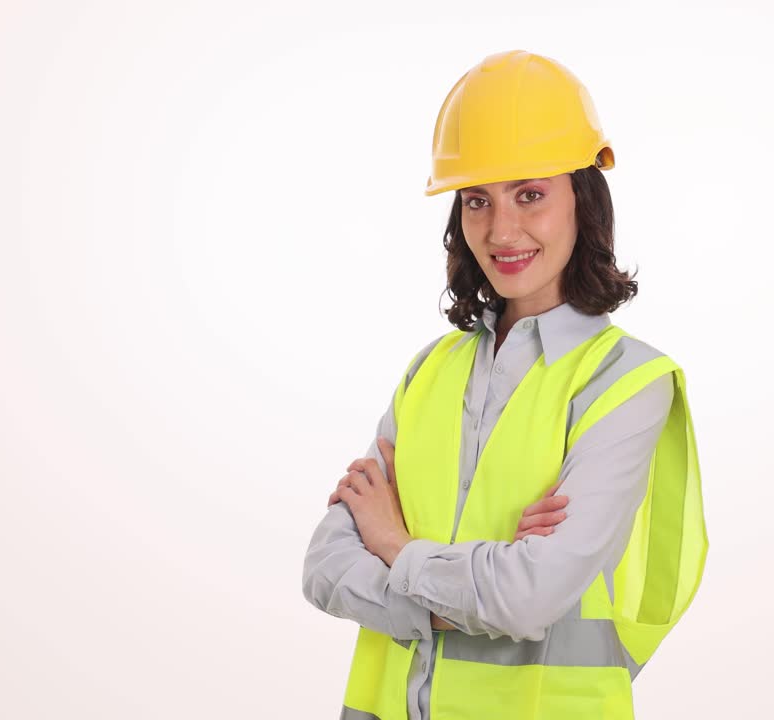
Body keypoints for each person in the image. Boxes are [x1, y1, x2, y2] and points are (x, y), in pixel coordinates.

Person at [302, 49, 708, 720]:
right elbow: (324, 566)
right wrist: (473, 591)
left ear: (583, 198)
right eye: (476, 200)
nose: (501, 229)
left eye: (530, 194)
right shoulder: (429, 371)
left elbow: (530, 599)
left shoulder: (630, 384)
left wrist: (395, 545)